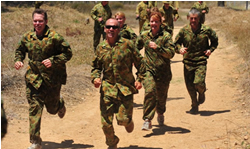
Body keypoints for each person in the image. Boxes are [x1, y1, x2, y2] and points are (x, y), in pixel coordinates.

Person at [14, 9, 73, 149]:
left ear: (46, 21)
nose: (37, 23)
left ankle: (59, 104)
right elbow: (20, 50)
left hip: (52, 80)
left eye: (40, 21)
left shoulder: (55, 37)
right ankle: (35, 141)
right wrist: (19, 60)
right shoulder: (27, 37)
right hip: (33, 79)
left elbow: (68, 53)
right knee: (35, 108)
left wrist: (54, 60)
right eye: (35, 21)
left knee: (52, 110)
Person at [91, 18, 145, 149]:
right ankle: (112, 143)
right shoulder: (101, 47)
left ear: (119, 29)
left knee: (123, 120)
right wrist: (95, 78)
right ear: (104, 29)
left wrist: (140, 79)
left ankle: (128, 121)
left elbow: (141, 64)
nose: (111, 29)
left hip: (125, 89)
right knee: (106, 124)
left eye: (114, 27)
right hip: (107, 89)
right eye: (108, 27)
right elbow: (96, 67)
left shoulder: (127, 45)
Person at [174, 9, 218, 114]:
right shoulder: (184, 30)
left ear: (199, 19)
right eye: (191, 18)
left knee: (199, 82)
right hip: (188, 63)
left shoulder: (206, 30)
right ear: (188, 18)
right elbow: (175, 44)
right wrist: (179, 49)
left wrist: (210, 49)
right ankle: (194, 105)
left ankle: (202, 92)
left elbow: (215, 41)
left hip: (200, 61)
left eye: (195, 18)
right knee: (190, 86)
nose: (193, 20)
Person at [136, 11, 175, 130]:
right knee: (150, 91)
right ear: (149, 22)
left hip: (163, 72)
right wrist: (137, 59)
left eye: (156, 21)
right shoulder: (144, 35)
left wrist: (158, 48)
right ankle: (147, 119)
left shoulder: (166, 36)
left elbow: (171, 53)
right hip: (149, 70)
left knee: (161, 97)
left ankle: (160, 112)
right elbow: (136, 48)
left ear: (160, 23)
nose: (154, 24)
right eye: (152, 21)